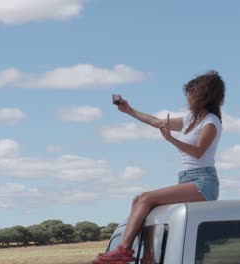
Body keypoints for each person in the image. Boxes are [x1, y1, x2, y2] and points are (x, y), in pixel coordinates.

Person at [92, 70, 226, 264]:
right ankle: (148, 256)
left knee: (146, 198)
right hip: (187, 179)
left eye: (191, 93)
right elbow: (157, 122)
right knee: (139, 200)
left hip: (203, 182)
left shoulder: (211, 122)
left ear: (203, 95)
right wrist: (129, 110)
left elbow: (198, 151)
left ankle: (123, 250)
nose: (188, 98)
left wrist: (171, 139)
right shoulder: (191, 119)